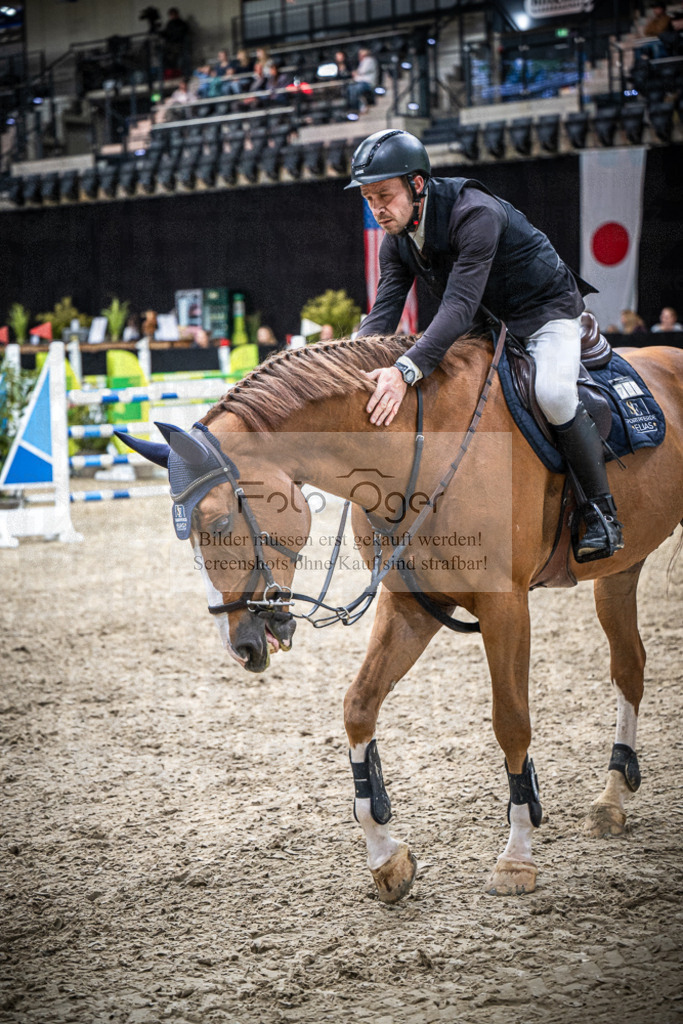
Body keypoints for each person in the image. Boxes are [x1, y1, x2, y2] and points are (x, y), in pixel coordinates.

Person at [347, 128, 623, 561]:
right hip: (486, 323)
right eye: (368, 198)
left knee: (552, 393)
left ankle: (602, 514)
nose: (377, 208)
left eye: (384, 194)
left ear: (417, 184)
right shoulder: (398, 241)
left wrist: (403, 370)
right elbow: (383, 314)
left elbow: (456, 305)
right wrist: (347, 364)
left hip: (543, 313)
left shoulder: (475, 213)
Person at [160, 7, 191, 78]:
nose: (172, 16)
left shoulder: (182, 24)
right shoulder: (169, 24)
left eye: (173, 14)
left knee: (179, 60)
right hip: (170, 46)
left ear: (177, 14)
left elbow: (181, 34)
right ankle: (169, 74)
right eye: (171, 15)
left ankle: (182, 74)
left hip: (179, 45)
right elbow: (167, 34)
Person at [347, 47, 379, 113]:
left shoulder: (369, 60)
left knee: (356, 89)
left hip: (367, 83)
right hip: (360, 82)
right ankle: (356, 107)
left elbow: (362, 71)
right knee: (350, 88)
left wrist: (356, 73)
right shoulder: (362, 62)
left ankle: (357, 107)